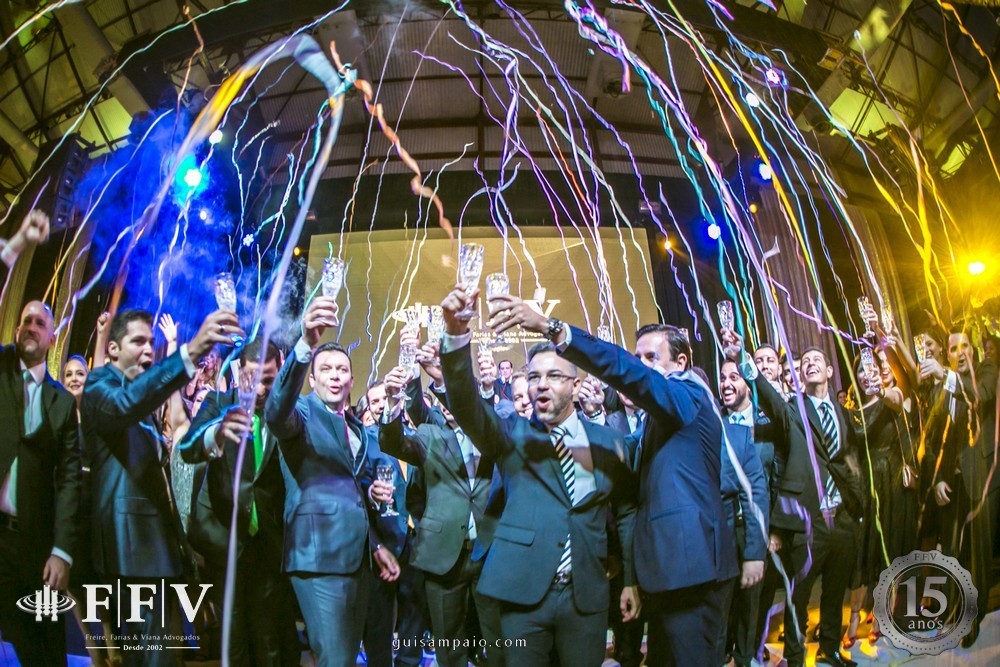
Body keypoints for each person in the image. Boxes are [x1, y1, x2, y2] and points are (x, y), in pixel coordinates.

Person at [490, 292, 736, 666]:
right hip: (667, 570)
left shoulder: (690, 393)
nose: (640, 366)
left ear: (681, 362)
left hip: (692, 567)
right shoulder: (657, 419)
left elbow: (631, 376)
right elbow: (619, 451)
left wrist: (551, 327)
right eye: (637, 357)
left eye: (650, 358)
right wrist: (588, 417)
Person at [439, 286, 639, 666]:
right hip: (523, 596)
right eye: (534, 377)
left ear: (576, 386)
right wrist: (455, 335)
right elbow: (465, 404)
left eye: (554, 375)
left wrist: (629, 578)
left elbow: (626, 512)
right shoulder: (510, 436)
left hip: (586, 598)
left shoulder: (609, 442)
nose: (541, 384)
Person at [83, 306, 240, 666]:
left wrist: (216, 432)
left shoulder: (142, 400)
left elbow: (178, 445)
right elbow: (126, 403)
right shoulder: (100, 386)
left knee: (160, 656)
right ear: (112, 350)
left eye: (150, 342)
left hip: (156, 548)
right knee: (154, 658)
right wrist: (191, 350)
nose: (147, 350)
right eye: (138, 342)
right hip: (131, 547)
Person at [263, 295, 400, 667]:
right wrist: (306, 343)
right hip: (318, 557)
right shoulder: (301, 412)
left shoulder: (357, 428)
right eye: (326, 369)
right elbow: (275, 413)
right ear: (312, 378)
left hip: (357, 560)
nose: (336, 375)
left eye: (342, 370)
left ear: (352, 380)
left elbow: (349, 491)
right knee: (336, 660)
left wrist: (375, 542)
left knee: (346, 658)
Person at [724, 332, 863, 667]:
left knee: (835, 591)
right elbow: (768, 395)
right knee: (798, 595)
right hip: (808, 519)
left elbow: (851, 459)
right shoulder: (793, 411)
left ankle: (830, 649)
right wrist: (743, 359)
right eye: (806, 361)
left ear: (830, 371)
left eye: (818, 360)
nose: (811, 363)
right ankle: (796, 657)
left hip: (843, 516)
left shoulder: (844, 413)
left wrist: (857, 505)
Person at [178, 337, 300, 666]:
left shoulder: (286, 414)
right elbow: (187, 449)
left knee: (268, 639)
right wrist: (217, 432)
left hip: (269, 545)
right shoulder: (219, 403)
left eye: (268, 380)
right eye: (251, 379)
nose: (259, 389)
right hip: (224, 541)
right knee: (232, 640)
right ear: (237, 373)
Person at [380, 363, 506, 667]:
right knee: (449, 645)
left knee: (500, 642)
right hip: (443, 555)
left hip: (491, 552)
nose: (448, 404)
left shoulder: (492, 432)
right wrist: (393, 402)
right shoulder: (429, 434)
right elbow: (394, 443)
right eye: (442, 397)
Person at [0, 298, 81, 666]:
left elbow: (69, 480)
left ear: (52, 338)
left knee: (45, 651)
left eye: (39, 323)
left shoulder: (62, 402)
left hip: (37, 546)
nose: (31, 327)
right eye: (26, 321)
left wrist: (62, 551)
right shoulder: (3, 373)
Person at [922, 329, 996, 647]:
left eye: (965, 345)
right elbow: (933, 440)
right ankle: (953, 612)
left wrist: (947, 376)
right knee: (951, 553)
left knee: (977, 554)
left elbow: (980, 395)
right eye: (954, 348)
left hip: (982, 479)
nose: (960, 351)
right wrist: (938, 478)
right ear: (948, 355)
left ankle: (972, 620)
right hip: (951, 483)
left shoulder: (987, 371)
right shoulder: (942, 389)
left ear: (973, 351)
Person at [719, 359, 775, 667]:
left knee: (751, 606)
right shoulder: (714, 424)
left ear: (748, 385)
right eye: (722, 378)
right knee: (724, 605)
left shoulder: (768, 422)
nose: (726, 383)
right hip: (725, 530)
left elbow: (776, 478)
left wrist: (772, 531)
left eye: (734, 377)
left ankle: (746, 656)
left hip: (757, 530)